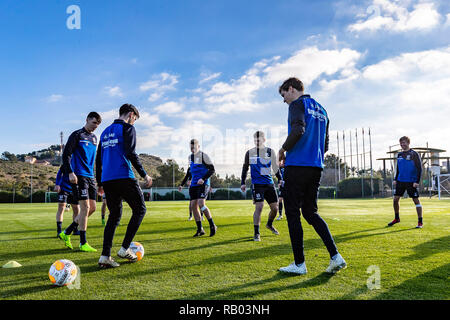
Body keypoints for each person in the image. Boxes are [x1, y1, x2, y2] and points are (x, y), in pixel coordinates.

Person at [277, 77, 346, 275]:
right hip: (316, 167)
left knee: (292, 212)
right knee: (310, 212)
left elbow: (298, 129)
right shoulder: (323, 110)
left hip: (297, 166)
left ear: (291, 89)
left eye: (284, 95)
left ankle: (299, 264)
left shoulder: (297, 104)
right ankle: (336, 257)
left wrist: (283, 151)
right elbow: (325, 146)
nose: (284, 101)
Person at [96, 103, 153, 268]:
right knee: (140, 209)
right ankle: (124, 248)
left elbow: (99, 160)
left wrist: (100, 182)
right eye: (135, 118)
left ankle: (105, 256)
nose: (134, 122)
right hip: (123, 176)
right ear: (130, 114)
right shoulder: (128, 128)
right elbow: (131, 153)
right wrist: (144, 174)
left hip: (107, 179)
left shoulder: (105, 132)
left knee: (114, 216)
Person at [58, 112, 102, 252]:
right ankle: (83, 242)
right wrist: (70, 172)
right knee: (85, 208)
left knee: (93, 208)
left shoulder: (95, 138)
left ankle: (66, 232)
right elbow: (66, 155)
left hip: (90, 176)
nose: (95, 126)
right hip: (79, 176)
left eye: (98, 124)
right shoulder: (77, 135)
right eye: (94, 122)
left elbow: (95, 160)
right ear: (87, 119)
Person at [240, 131, 281, 241]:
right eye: (255, 140)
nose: (257, 142)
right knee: (259, 207)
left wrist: (280, 179)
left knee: (275, 208)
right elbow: (245, 168)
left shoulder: (270, 152)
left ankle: (269, 224)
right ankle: (256, 233)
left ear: (264, 139)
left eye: (259, 140)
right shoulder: (250, 152)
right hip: (257, 184)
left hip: (269, 183)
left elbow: (275, 167)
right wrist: (242, 182)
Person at [179, 139, 217, 237]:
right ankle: (200, 229)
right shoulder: (190, 157)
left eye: (194, 148)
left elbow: (212, 169)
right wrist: (182, 184)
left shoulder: (204, 156)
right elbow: (189, 171)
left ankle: (212, 225)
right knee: (193, 206)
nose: (192, 149)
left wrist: (203, 179)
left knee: (201, 203)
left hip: (203, 184)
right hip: (194, 185)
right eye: (191, 148)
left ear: (198, 147)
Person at [388, 136, 423, 228]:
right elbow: (398, 168)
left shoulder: (414, 154)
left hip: (411, 181)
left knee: (416, 200)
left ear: (408, 143)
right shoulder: (399, 155)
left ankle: (420, 221)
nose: (402, 145)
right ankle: (397, 218)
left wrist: (417, 181)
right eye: (401, 143)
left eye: (404, 143)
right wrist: (395, 179)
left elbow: (419, 168)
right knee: (395, 200)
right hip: (400, 181)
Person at [55, 167, 80, 238]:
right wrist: (57, 184)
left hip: (75, 190)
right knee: (61, 208)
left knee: (77, 210)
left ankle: (75, 229)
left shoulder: (79, 163)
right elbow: (59, 173)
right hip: (63, 189)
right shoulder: (66, 163)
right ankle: (59, 231)